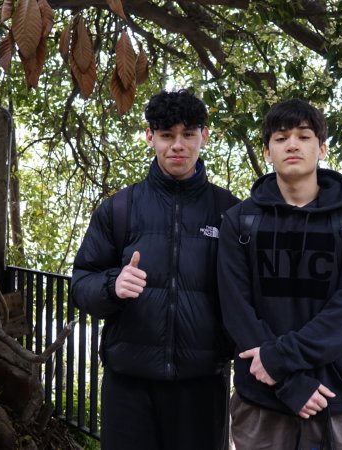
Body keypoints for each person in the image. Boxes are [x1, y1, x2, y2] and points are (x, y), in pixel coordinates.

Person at [71, 89, 239, 450]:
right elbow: (81, 284)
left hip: (202, 388)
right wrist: (112, 285)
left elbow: (247, 297)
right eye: (166, 135)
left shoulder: (229, 212)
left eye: (188, 134)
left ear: (204, 136)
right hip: (129, 386)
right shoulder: (119, 208)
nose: (177, 145)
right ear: (150, 137)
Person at [217, 98, 342, 449]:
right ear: (267, 152)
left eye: (304, 136)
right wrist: (288, 383)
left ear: (322, 149)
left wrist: (279, 359)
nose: (292, 144)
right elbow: (236, 310)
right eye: (281, 138)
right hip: (261, 397)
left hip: (335, 397)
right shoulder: (240, 220)